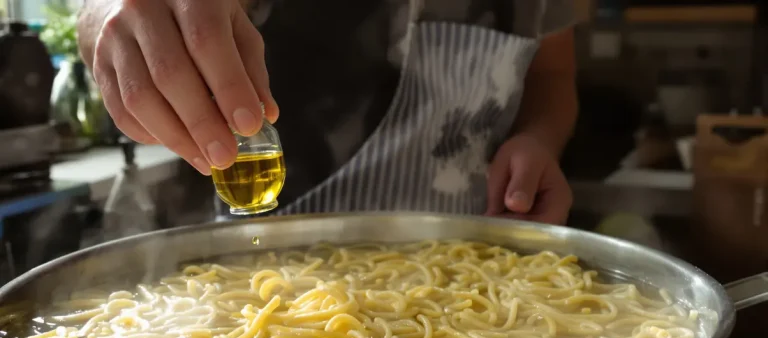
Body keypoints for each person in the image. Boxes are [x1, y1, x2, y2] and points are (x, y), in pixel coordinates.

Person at [77, 0, 577, 224]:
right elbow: (114, 13)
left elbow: (552, 76)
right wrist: (108, 12)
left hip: (472, 275)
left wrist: (538, 138)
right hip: (268, 280)